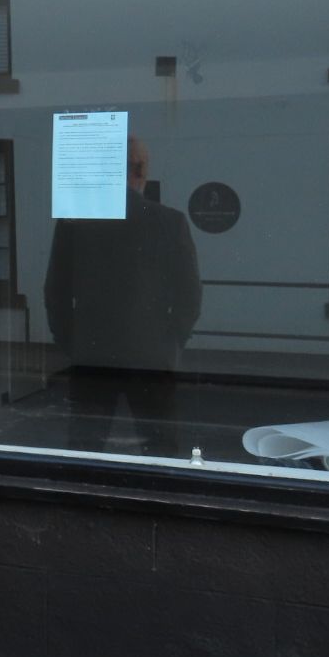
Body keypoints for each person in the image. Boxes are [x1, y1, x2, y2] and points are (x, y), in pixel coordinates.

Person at [44, 136, 201, 456]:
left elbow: (55, 293)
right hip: (151, 357)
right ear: (141, 171)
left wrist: (73, 343)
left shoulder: (75, 223)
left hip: (91, 353)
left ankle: (82, 505)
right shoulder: (169, 223)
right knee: (161, 450)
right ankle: (161, 504)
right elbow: (189, 296)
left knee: (86, 450)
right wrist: (170, 343)